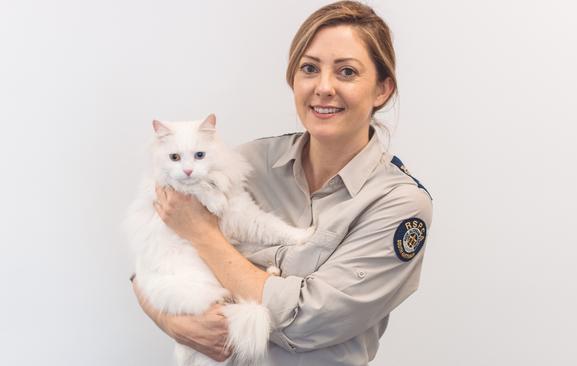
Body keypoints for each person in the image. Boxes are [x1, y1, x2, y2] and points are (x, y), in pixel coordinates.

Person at [132, 1, 432, 365]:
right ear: (293, 79)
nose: (323, 87)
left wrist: (203, 235)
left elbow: (308, 321)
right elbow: (152, 258)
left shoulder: (397, 205)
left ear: (382, 90)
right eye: (309, 68)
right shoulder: (246, 163)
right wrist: (170, 320)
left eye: (347, 72)